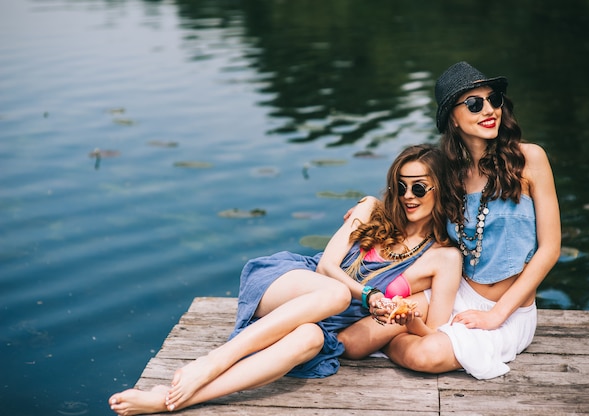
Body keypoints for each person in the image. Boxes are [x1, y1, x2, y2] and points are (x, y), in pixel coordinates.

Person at [108, 144, 462, 415]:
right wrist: (369, 295)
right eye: (401, 186)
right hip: (294, 284)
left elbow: (435, 332)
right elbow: (326, 266)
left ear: (440, 190)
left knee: (308, 339)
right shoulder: (371, 209)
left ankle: (169, 402)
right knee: (337, 293)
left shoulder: (444, 257)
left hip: (323, 323)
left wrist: (406, 318)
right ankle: (211, 361)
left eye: (419, 188)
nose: (407, 196)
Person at [381, 61, 561, 379]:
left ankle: (405, 341)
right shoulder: (450, 176)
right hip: (455, 292)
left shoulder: (530, 159)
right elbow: (412, 211)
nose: (489, 110)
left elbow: (550, 250)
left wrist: (496, 315)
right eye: (475, 104)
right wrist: (368, 206)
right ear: (453, 116)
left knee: (427, 354)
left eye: (494, 99)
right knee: (359, 337)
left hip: (508, 312)